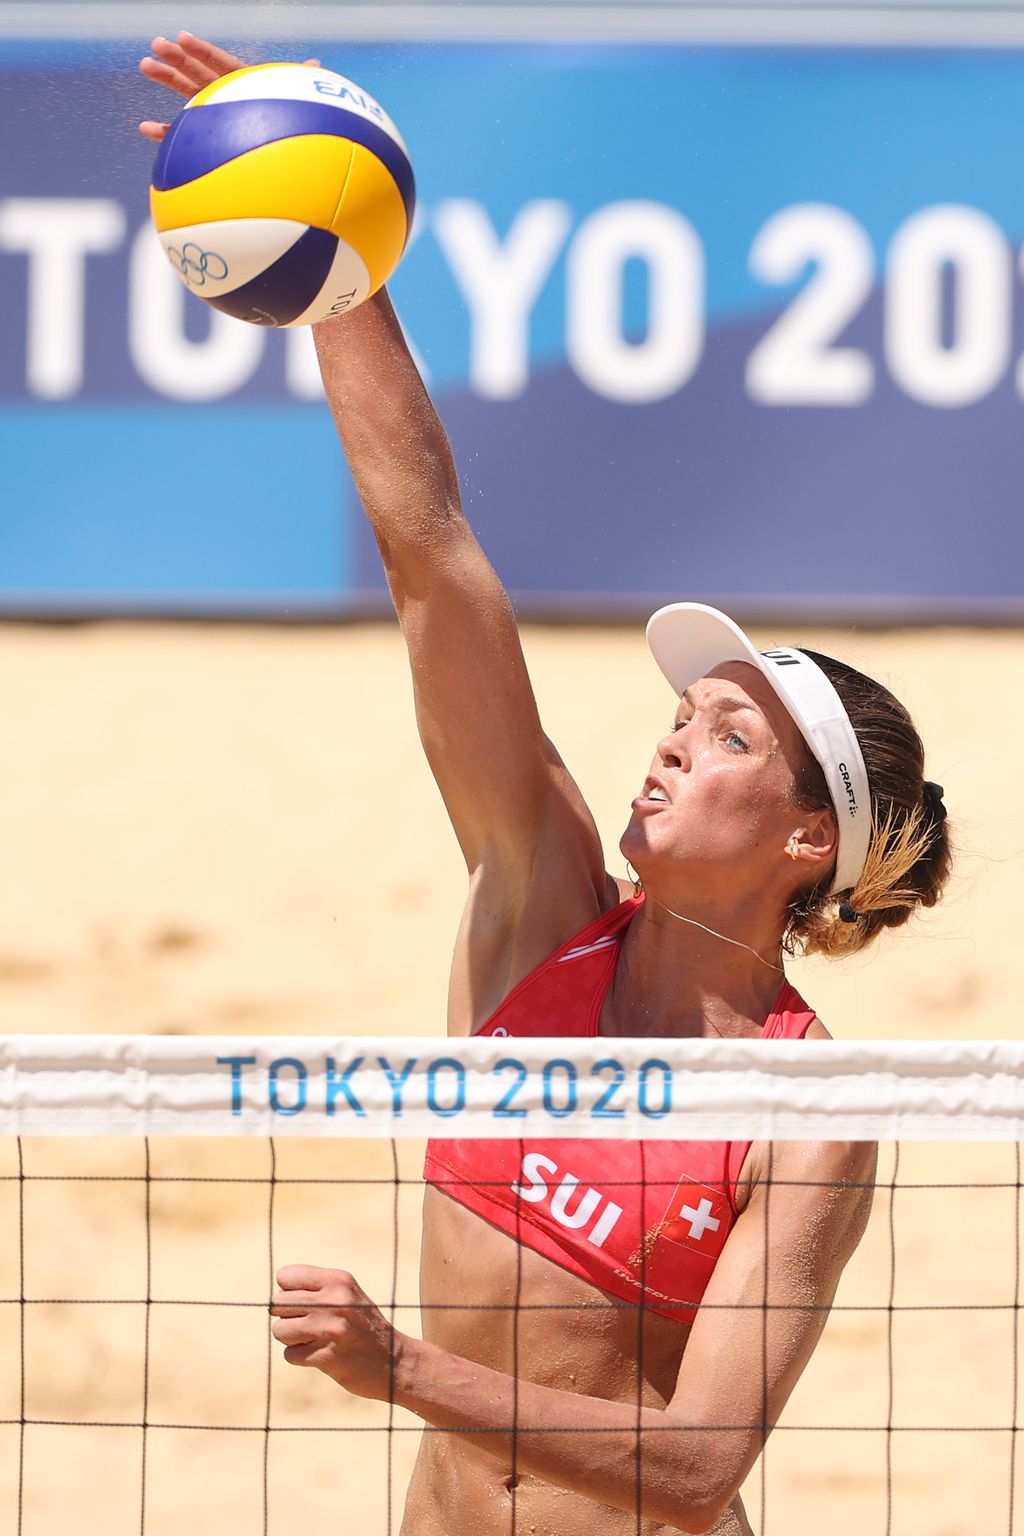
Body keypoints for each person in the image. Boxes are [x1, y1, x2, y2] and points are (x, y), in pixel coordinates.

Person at [141, 36, 952, 1535]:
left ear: (806, 838)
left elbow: (703, 1465)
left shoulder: (813, 1100)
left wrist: (400, 1367)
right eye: (681, 714)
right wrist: (332, 256)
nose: (669, 742)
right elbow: (432, 555)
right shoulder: (539, 908)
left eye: (728, 737)